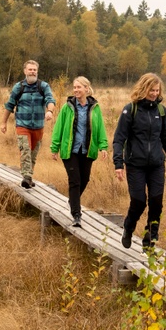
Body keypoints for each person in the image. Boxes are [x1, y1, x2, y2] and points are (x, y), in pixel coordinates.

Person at [112, 73, 166, 249]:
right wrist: (118, 164)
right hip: (136, 165)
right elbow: (119, 138)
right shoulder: (131, 110)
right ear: (143, 89)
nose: (154, 94)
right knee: (139, 201)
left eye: (157, 90)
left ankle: (150, 240)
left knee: (156, 203)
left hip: (156, 165)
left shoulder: (162, 112)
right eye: (151, 90)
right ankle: (128, 227)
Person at [50, 76, 110, 227]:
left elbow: (100, 128)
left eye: (79, 87)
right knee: (75, 181)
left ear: (86, 89)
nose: (76, 90)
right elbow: (58, 128)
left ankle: (73, 200)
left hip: (88, 150)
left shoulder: (95, 108)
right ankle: (76, 214)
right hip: (70, 151)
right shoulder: (67, 107)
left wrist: (103, 146)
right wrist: (54, 147)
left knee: (85, 179)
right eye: (74, 87)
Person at [1, 60, 56, 188]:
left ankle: (29, 178)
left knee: (32, 154)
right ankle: (26, 177)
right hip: (22, 125)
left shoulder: (43, 86)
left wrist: (50, 111)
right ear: (25, 71)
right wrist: (3, 123)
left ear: (37, 71)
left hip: (38, 127)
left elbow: (50, 99)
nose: (32, 72)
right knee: (25, 150)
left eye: (34, 70)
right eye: (30, 69)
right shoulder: (18, 87)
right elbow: (10, 105)